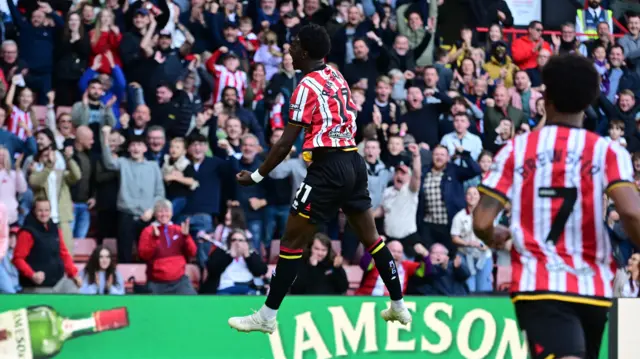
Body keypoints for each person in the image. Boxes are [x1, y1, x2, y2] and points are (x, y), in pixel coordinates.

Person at [228, 23, 410, 333]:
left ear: (306, 52)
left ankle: (267, 317)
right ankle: (398, 306)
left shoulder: (305, 86)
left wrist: (258, 175)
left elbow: (286, 142)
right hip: (353, 161)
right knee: (372, 239)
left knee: (290, 241)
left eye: (295, 45)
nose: (290, 50)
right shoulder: (336, 75)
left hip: (328, 167)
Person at [472, 53, 640, 359]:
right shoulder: (608, 152)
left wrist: (493, 234)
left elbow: (481, 221)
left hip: (539, 280)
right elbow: (631, 212)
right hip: (593, 287)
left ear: (545, 96)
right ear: (591, 99)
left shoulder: (517, 149)